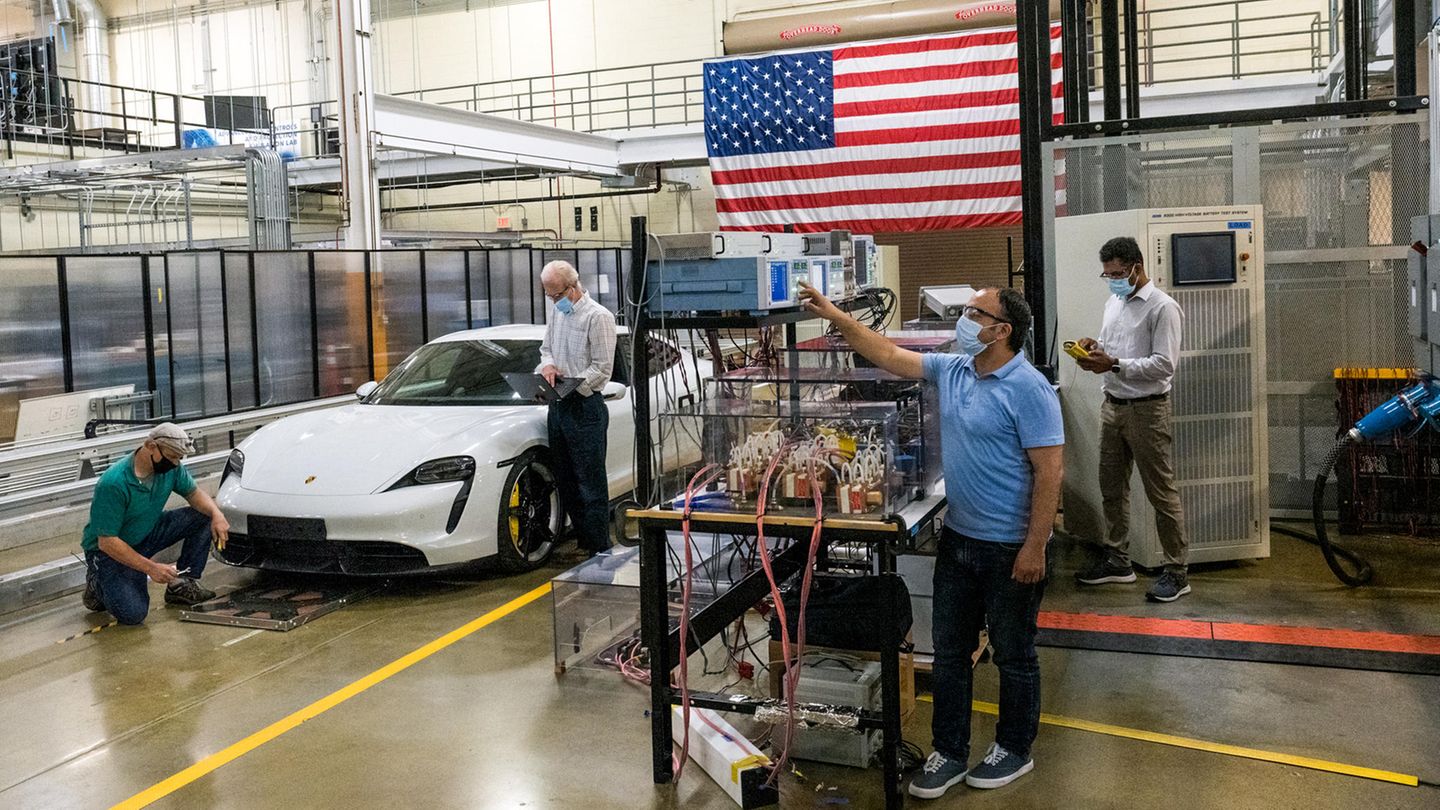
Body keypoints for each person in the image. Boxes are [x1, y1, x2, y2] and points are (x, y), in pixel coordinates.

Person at [798, 281, 1063, 800]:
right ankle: (950, 751)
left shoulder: (1029, 388)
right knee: (949, 653)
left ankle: (1015, 748)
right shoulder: (955, 369)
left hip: (1010, 546)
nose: (964, 318)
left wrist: (1035, 546)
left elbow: (1050, 473)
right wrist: (836, 316)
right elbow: (888, 354)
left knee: (1013, 654)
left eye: (975, 312)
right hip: (959, 540)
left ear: (1002, 331)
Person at [1073, 236, 1190, 602]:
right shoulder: (1115, 302)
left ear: (1137, 267)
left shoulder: (1163, 308)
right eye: (1107, 274)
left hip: (1147, 410)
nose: (1112, 280)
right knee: (1111, 487)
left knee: (1161, 492)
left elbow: (1164, 364)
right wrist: (1094, 349)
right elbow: (1113, 349)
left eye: (1118, 274)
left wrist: (1114, 364)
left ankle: (1177, 571)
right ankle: (1118, 560)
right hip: (1113, 405)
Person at [81, 423, 230, 624]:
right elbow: (107, 542)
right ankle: (97, 584)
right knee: (133, 614)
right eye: (172, 457)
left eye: (179, 458)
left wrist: (217, 514)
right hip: (109, 550)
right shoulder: (113, 483)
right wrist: (151, 568)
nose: (175, 463)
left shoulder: (171, 468)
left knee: (205, 515)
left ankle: (181, 584)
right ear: (151, 446)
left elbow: (193, 493)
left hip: (147, 530)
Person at [536, 260, 618, 558]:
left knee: (590, 482)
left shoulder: (599, 317)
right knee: (566, 479)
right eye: (548, 295)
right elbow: (546, 349)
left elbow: (602, 369)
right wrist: (548, 366)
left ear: (573, 287)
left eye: (556, 295)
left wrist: (572, 384)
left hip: (584, 406)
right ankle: (583, 541)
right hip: (558, 406)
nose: (553, 301)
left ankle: (599, 546)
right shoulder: (557, 312)